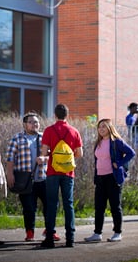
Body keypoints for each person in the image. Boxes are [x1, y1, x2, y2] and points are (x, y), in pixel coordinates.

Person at [6, 112, 59, 242]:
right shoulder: (17, 138)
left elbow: (54, 155)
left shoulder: (44, 137)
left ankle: (50, 230)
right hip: (25, 181)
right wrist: (9, 174)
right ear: (24, 125)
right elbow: (10, 158)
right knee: (29, 208)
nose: (34, 124)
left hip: (44, 178)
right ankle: (30, 232)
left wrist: (45, 158)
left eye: (36, 122)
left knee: (52, 205)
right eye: (31, 122)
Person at [84, 118, 135, 243]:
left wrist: (119, 163)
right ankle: (97, 233)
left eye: (104, 126)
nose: (101, 129)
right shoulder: (98, 142)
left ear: (109, 128)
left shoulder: (116, 142)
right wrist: (96, 177)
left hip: (113, 178)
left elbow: (131, 153)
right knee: (99, 207)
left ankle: (117, 233)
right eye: (99, 127)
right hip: (100, 179)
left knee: (115, 207)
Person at [41, 103, 83, 248]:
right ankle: (70, 239)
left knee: (51, 204)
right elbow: (79, 153)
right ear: (67, 115)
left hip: (52, 172)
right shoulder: (74, 131)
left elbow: (44, 152)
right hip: (68, 172)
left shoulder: (49, 130)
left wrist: (52, 153)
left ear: (55, 115)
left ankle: (50, 239)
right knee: (68, 205)